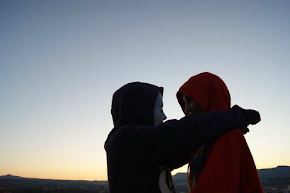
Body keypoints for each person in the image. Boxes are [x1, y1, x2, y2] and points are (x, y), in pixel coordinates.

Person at [105, 81, 260, 193]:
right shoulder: (125, 140)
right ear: (140, 109)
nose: (164, 116)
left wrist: (218, 130)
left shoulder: (141, 147)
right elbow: (181, 132)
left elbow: (181, 149)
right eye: (160, 109)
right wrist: (234, 116)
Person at [177, 72, 264, 193]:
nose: (186, 109)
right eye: (185, 103)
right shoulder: (204, 140)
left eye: (190, 100)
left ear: (209, 96)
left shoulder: (227, 138)